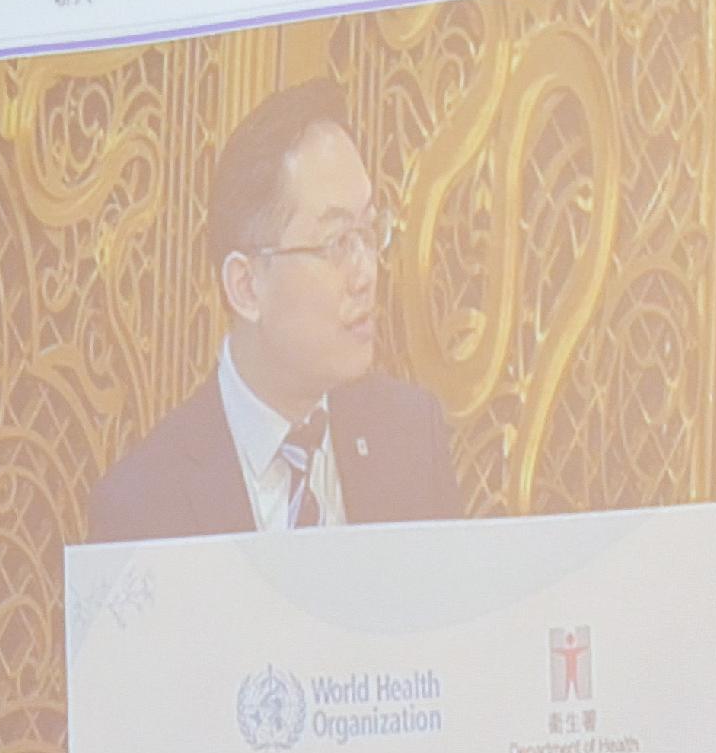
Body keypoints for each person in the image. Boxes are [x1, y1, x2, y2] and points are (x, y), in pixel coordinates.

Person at [86, 79, 460, 543]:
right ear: (246, 287)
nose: (367, 274)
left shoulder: (409, 436)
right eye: (338, 242)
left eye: (369, 232)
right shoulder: (143, 506)